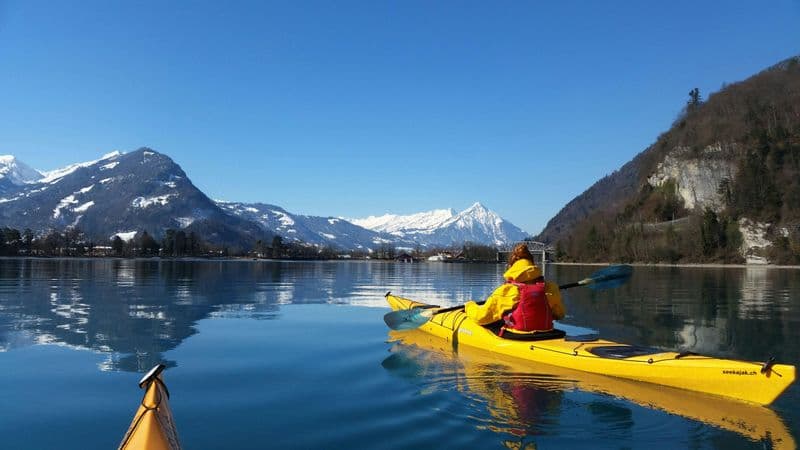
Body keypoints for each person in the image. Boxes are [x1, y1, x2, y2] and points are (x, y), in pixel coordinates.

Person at [464, 243, 565, 333]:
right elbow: (560, 314)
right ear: (532, 264)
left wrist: (469, 306)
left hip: (519, 336)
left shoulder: (506, 291)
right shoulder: (551, 287)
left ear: (511, 266)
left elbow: (481, 317)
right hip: (546, 333)